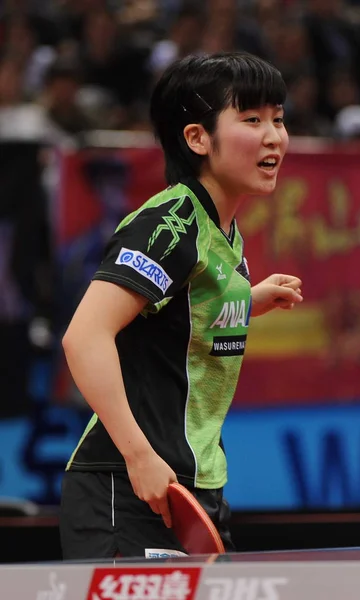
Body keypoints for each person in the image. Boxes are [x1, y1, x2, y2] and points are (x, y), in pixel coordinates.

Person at [59, 51, 303, 560]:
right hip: (129, 486)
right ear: (197, 138)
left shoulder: (222, 232)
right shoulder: (169, 224)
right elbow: (85, 336)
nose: (273, 136)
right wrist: (138, 455)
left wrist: (247, 300)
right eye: (252, 119)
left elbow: (177, 312)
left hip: (194, 485)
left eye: (278, 119)